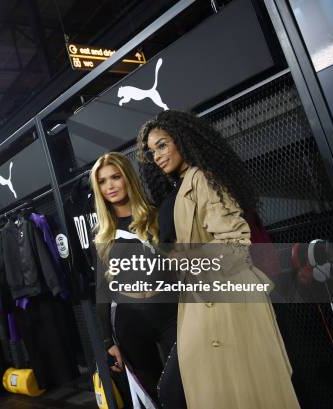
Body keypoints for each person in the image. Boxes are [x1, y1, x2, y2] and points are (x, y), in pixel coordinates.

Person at [137, 110, 300, 409]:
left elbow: (235, 243)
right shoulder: (185, 184)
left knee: (240, 392)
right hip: (206, 300)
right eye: (151, 151)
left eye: (162, 145)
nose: (157, 156)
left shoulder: (202, 179)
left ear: (181, 140)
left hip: (226, 301)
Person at [90, 152, 185, 408]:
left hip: (169, 313)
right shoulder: (102, 236)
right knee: (153, 396)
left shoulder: (156, 216)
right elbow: (102, 290)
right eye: (102, 181)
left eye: (115, 177)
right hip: (129, 321)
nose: (109, 186)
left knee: (183, 387)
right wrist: (108, 342)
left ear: (127, 178)